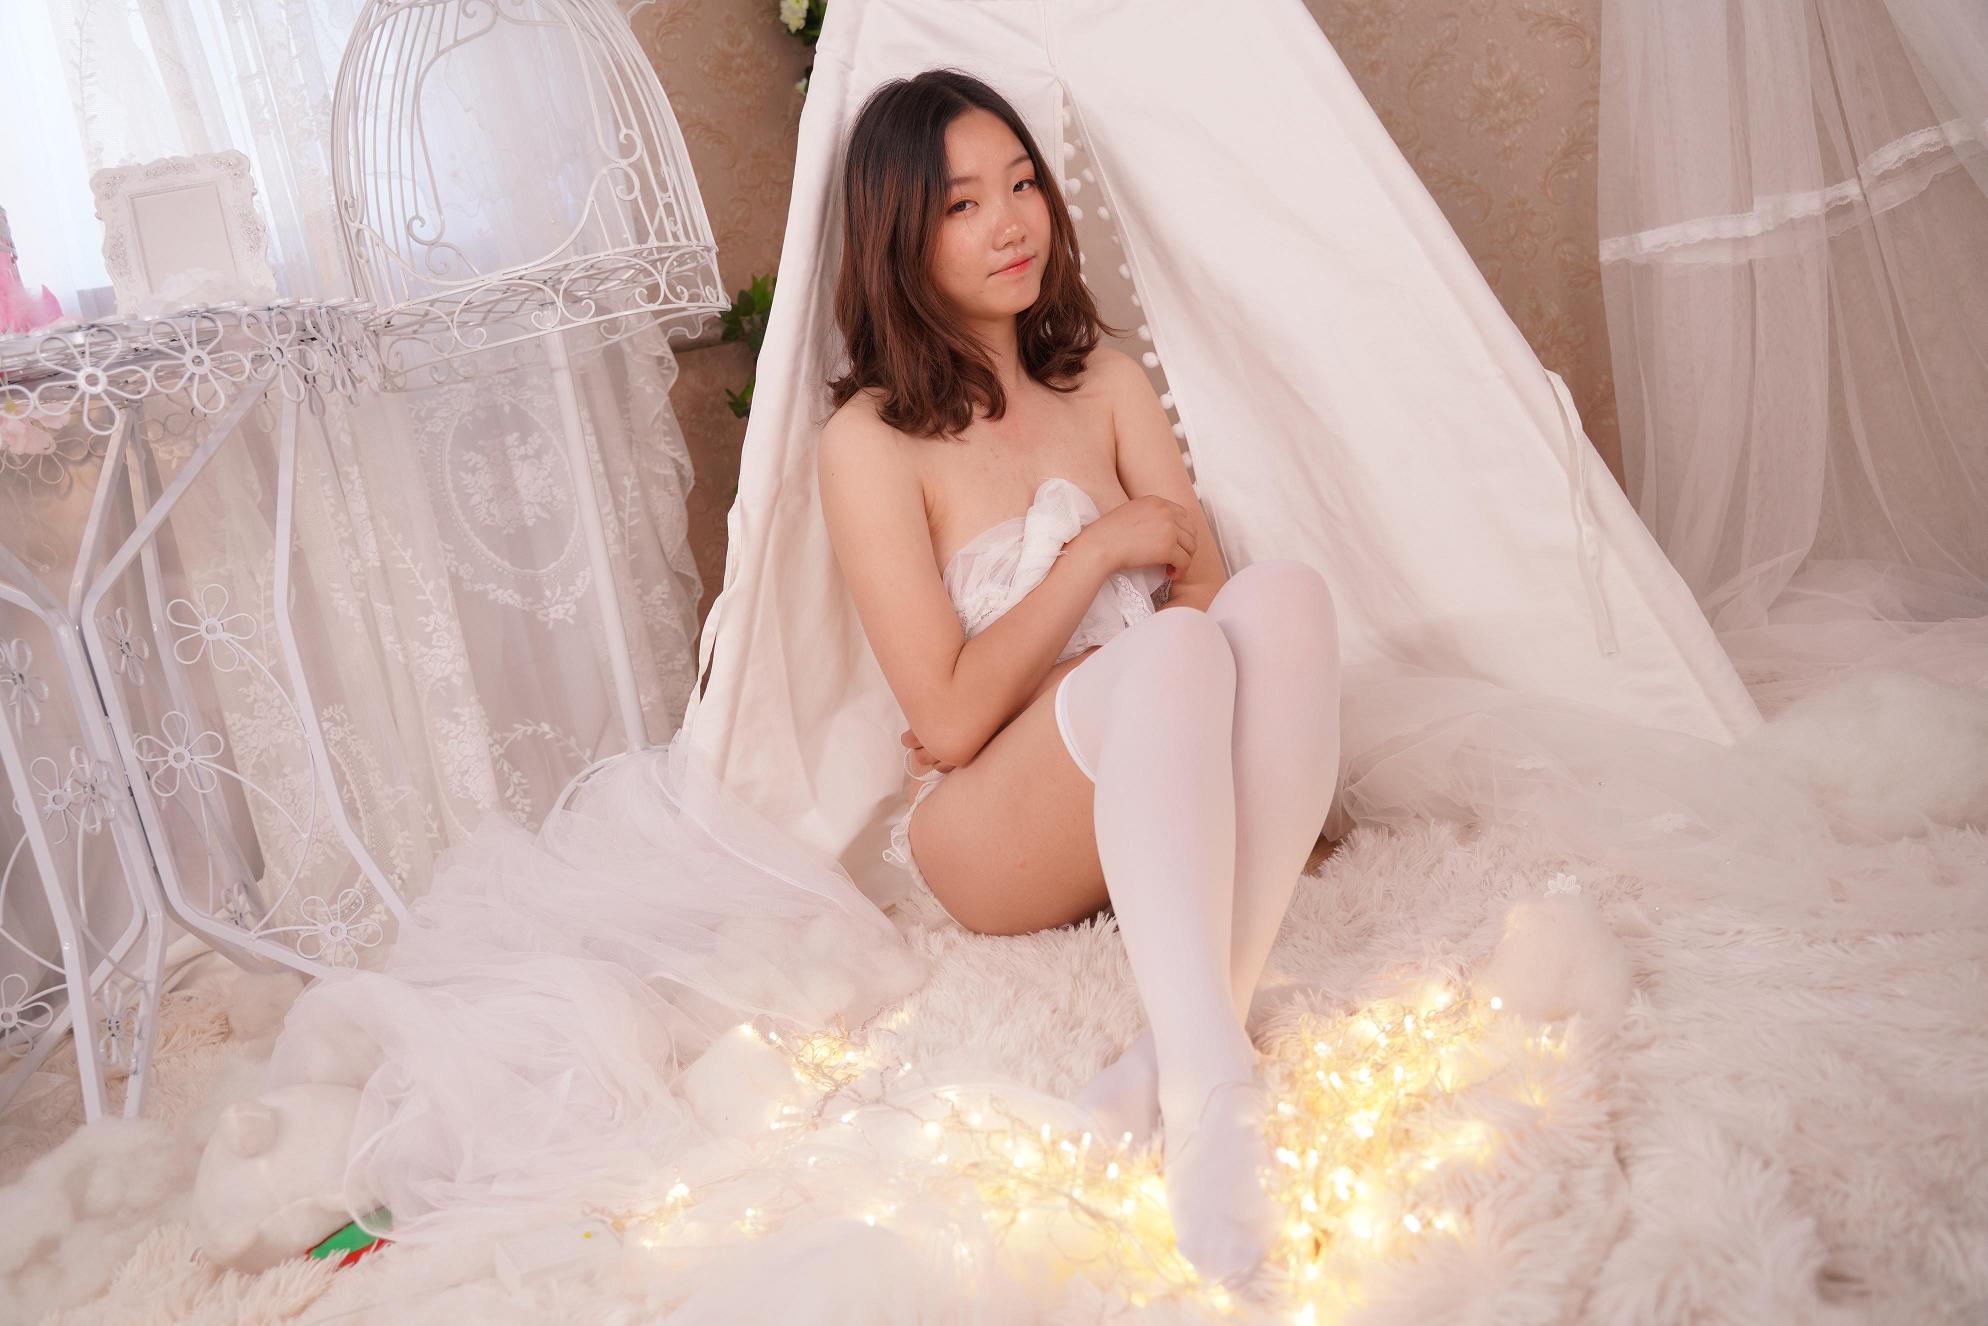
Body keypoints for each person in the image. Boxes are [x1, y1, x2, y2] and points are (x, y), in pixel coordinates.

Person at [816, 68, 1345, 1290]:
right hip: (992, 831)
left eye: (1022, 186)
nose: (1011, 224)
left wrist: (1142, 655)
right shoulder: (872, 441)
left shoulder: (1099, 382)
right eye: (961, 205)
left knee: (1285, 597)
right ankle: (1212, 1093)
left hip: (1152, 761)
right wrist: (1096, 555)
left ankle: (1176, 1055)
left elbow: (1209, 597)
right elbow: (949, 720)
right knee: (1166, 646)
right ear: (899, 236)